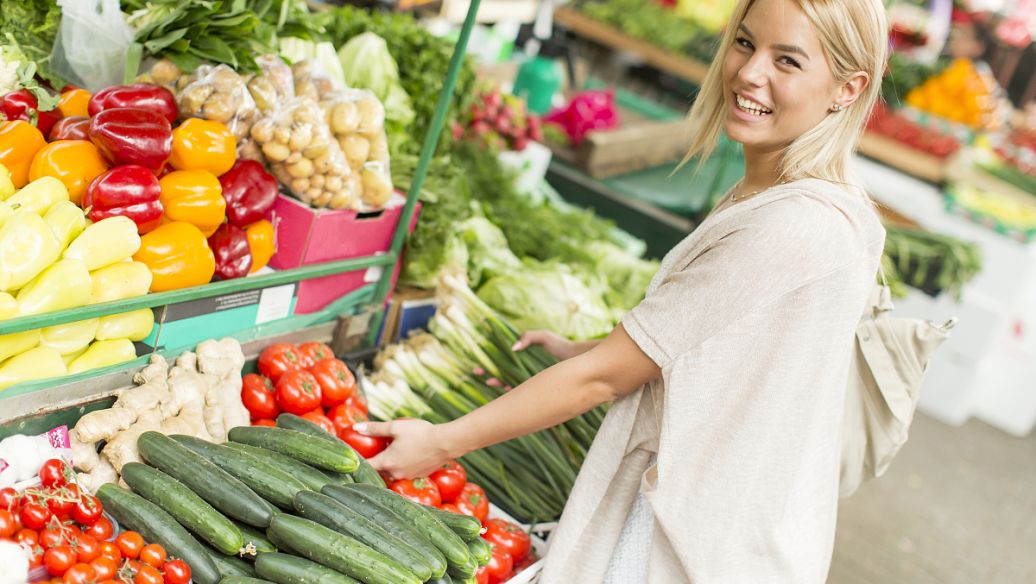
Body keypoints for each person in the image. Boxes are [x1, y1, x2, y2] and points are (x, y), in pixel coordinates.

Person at [355, 0, 890, 581]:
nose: (749, 72)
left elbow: (605, 378)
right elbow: (723, 345)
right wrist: (587, 347)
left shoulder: (790, 225)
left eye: (787, 61)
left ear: (847, 88)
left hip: (691, 543)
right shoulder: (814, 201)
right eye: (744, 42)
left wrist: (441, 441)